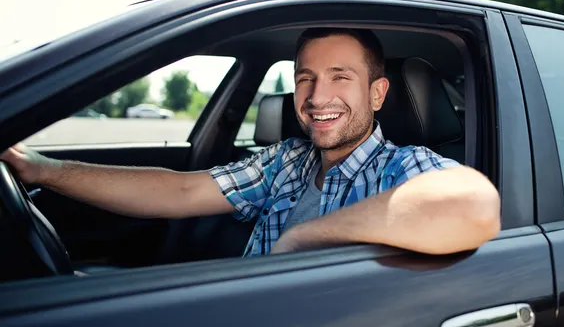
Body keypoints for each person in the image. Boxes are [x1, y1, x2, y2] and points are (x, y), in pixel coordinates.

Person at [0, 28, 500, 258]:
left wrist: (303, 237)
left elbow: (475, 204)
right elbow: (178, 192)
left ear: (377, 92)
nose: (316, 96)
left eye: (340, 77)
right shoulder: (287, 161)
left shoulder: (402, 167)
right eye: (305, 78)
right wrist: (44, 170)